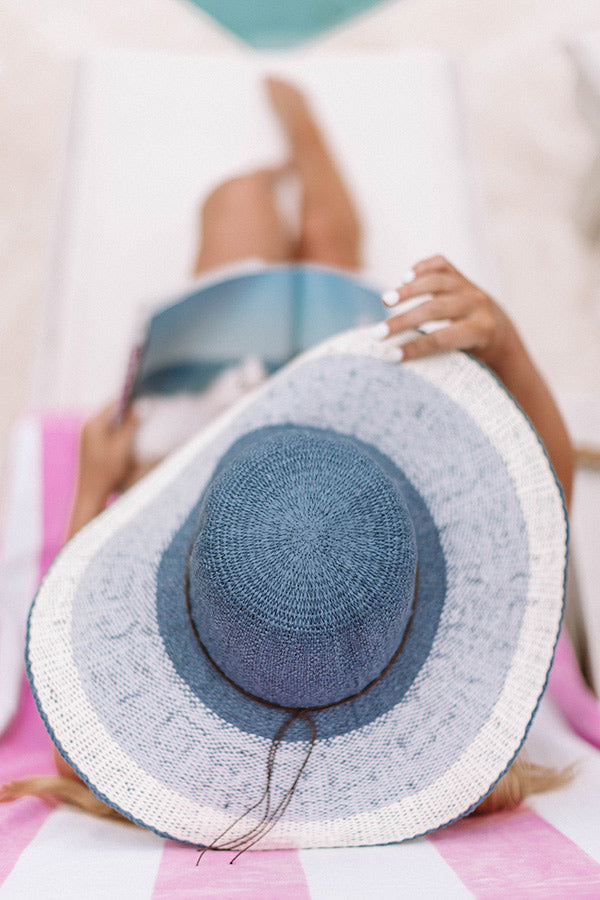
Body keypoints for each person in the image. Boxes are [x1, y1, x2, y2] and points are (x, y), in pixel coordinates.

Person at [1, 77, 573, 841]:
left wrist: (94, 489)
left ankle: (273, 170)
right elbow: (545, 510)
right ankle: (304, 132)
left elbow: (72, 694)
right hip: (341, 456)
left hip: (209, 458)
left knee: (235, 207)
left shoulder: (132, 779)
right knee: (332, 242)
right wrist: (507, 349)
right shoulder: (474, 759)